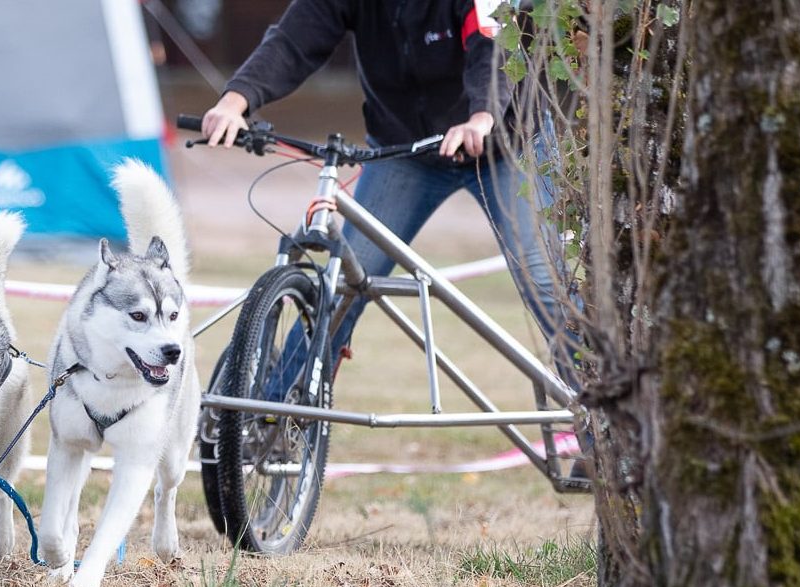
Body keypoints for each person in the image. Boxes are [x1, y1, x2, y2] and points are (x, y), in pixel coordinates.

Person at [199, 0, 580, 402]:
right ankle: (276, 415)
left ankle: (603, 425)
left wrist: (481, 116)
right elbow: (295, 37)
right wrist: (235, 100)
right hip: (406, 151)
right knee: (344, 284)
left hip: (505, 144)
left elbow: (493, 42)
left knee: (546, 285)